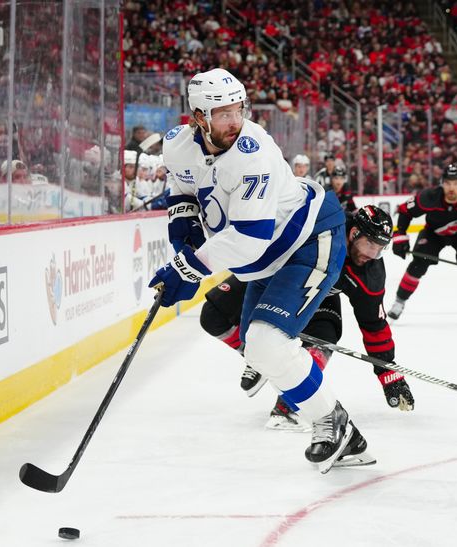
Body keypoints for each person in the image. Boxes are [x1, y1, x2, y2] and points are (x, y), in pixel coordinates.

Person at [148, 68, 367, 471]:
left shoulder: (253, 151)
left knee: (266, 343)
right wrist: (184, 230)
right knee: (257, 348)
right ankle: (341, 428)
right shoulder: (178, 145)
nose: (235, 120)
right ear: (198, 116)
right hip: (262, 261)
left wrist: (188, 268)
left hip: (307, 239)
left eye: (238, 109)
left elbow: (249, 237)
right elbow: (183, 190)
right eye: (222, 113)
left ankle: (332, 423)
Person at [201, 206, 414, 434]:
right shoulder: (321, 223)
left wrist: (388, 373)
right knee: (213, 315)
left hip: (317, 296)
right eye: (370, 245)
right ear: (353, 234)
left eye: (380, 249)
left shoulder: (369, 271)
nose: (373, 255)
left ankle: (290, 403)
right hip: (270, 277)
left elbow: (374, 324)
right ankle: (259, 359)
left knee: (323, 340)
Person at [388, 163, 457, 319]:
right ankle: (399, 301)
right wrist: (400, 236)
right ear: (442, 183)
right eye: (448, 183)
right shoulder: (429, 196)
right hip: (433, 233)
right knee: (419, 263)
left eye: (456, 183)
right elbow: (404, 210)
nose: (452, 188)